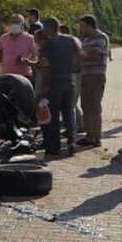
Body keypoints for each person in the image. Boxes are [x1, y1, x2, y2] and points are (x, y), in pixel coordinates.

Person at [38, 17, 81, 156]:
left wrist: (44, 86)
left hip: (54, 83)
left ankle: (54, 147)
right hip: (69, 81)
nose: (43, 31)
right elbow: (79, 57)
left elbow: (45, 65)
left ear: (49, 27)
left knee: (54, 116)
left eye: (45, 28)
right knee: (68, 114)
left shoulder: (48, 44)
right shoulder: (71, 40)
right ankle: (71, 142)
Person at [77, 14, 109, 147]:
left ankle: (97, 137)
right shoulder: (85, 40)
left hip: (96, 76)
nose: (81, 29)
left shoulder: (101, 37)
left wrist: (81, 54)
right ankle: (89, 136)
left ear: (89, 25)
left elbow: (95, 54)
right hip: (85, 75)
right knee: (85, 106)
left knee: (95, 106)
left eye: (82, 26)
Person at [0, 13, 37, 78]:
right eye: (12, 22)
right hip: (6, 75)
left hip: (24, 76)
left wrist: (27, 61)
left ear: (22, 24)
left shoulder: (30, 38)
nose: (14, 24)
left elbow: (36, 56)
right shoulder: (4, 38)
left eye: (17, 22)